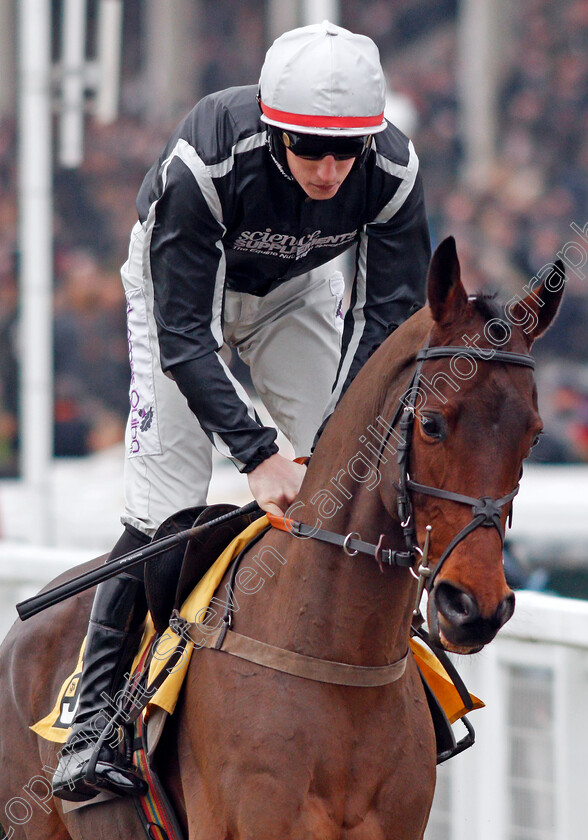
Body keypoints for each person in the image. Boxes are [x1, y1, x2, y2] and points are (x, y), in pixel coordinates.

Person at [52, 20, 431, 801]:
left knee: (356, 463)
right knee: (165, 504)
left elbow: (388, 322)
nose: (329, 172)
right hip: (183, 299)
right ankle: (93, 718)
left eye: (345, 152)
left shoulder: (393, 168)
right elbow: (187, 337)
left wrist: (334, 439)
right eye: (307, 150)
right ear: (270, 125)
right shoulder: (203, 165)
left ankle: (403, 661)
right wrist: (260, 456)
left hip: (296, 294)